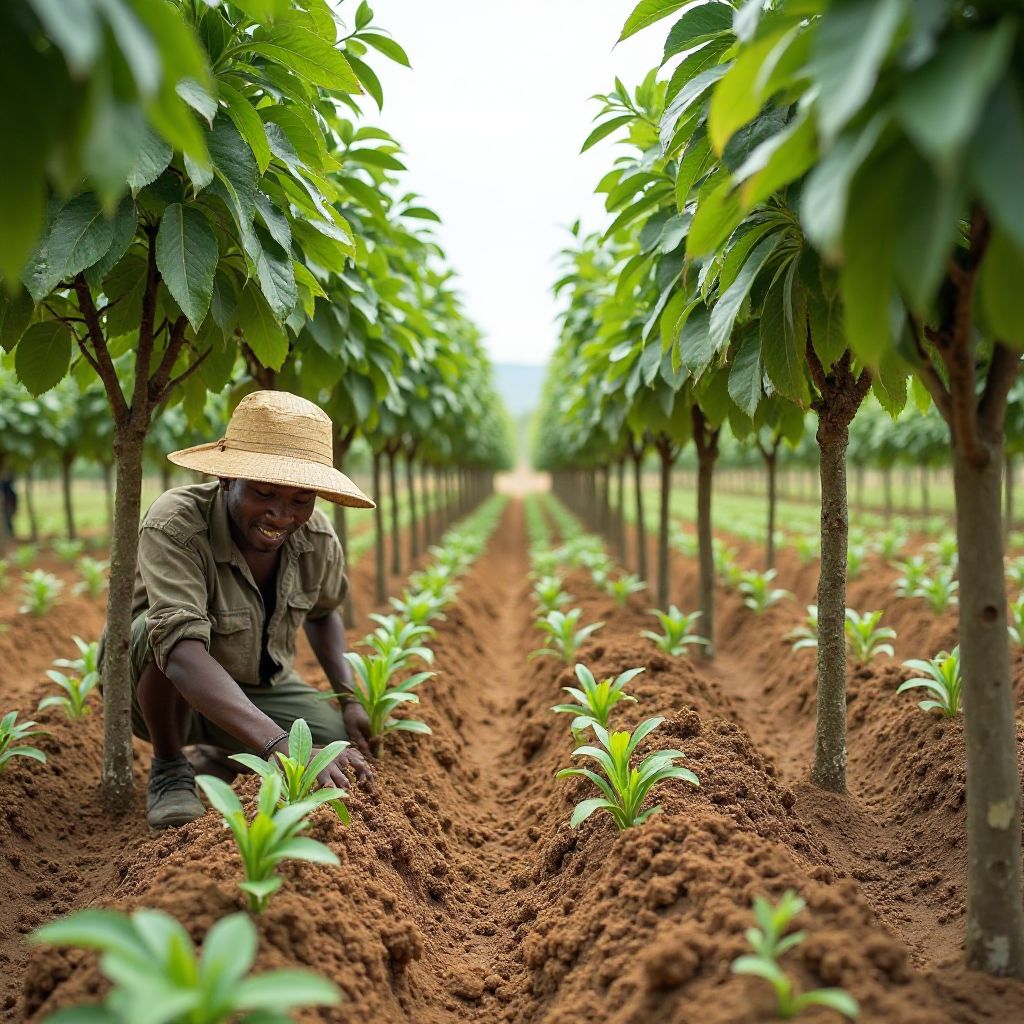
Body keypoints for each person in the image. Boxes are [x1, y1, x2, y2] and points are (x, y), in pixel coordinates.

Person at [103, 391, 378, 830]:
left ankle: (221, 749)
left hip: (257, 685)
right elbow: (179, 652)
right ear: (228, 479)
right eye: (265, 493)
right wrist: (277, 742)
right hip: (155, 690)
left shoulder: (319, 541)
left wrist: (349, 698)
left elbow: (325, 613)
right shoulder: (177, 523)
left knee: (329, 746)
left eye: (301, 500)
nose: (281, 515)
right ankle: (170, 767)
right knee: (157, 632)